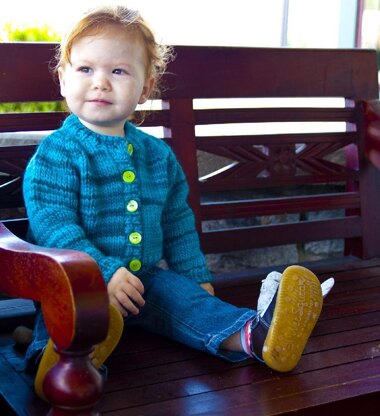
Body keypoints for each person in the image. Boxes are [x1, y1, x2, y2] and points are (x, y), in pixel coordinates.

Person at [23, 5, 330, 401]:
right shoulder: (56, 154)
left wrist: (196, 279)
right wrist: (103, 272)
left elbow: (178, 223)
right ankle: (53, 362)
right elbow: (54, 225)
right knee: (69, 314)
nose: (100, 83)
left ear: (145, 88)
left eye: (118, 71)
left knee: (187, 303)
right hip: (74, 283)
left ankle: (257, 336)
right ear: (64, 78)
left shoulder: (156, 155)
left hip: (146, 281)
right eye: (85, 70)